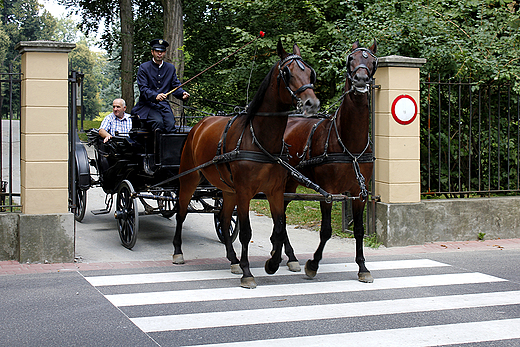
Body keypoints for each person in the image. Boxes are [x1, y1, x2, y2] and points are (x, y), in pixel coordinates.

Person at [132, 38, 190, 133]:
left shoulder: (170, 68)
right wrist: (155, 96)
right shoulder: (144, 67)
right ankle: (156, 148)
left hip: (163, 105)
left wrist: (182, 94)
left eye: (162, 51)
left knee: (171, 125)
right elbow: (143, 88)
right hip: (147, 105)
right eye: (157, 51)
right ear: (152, 52)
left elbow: (175, 86)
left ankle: (170, 147)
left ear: (165, 52)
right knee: (158, 123)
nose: (159, 54)